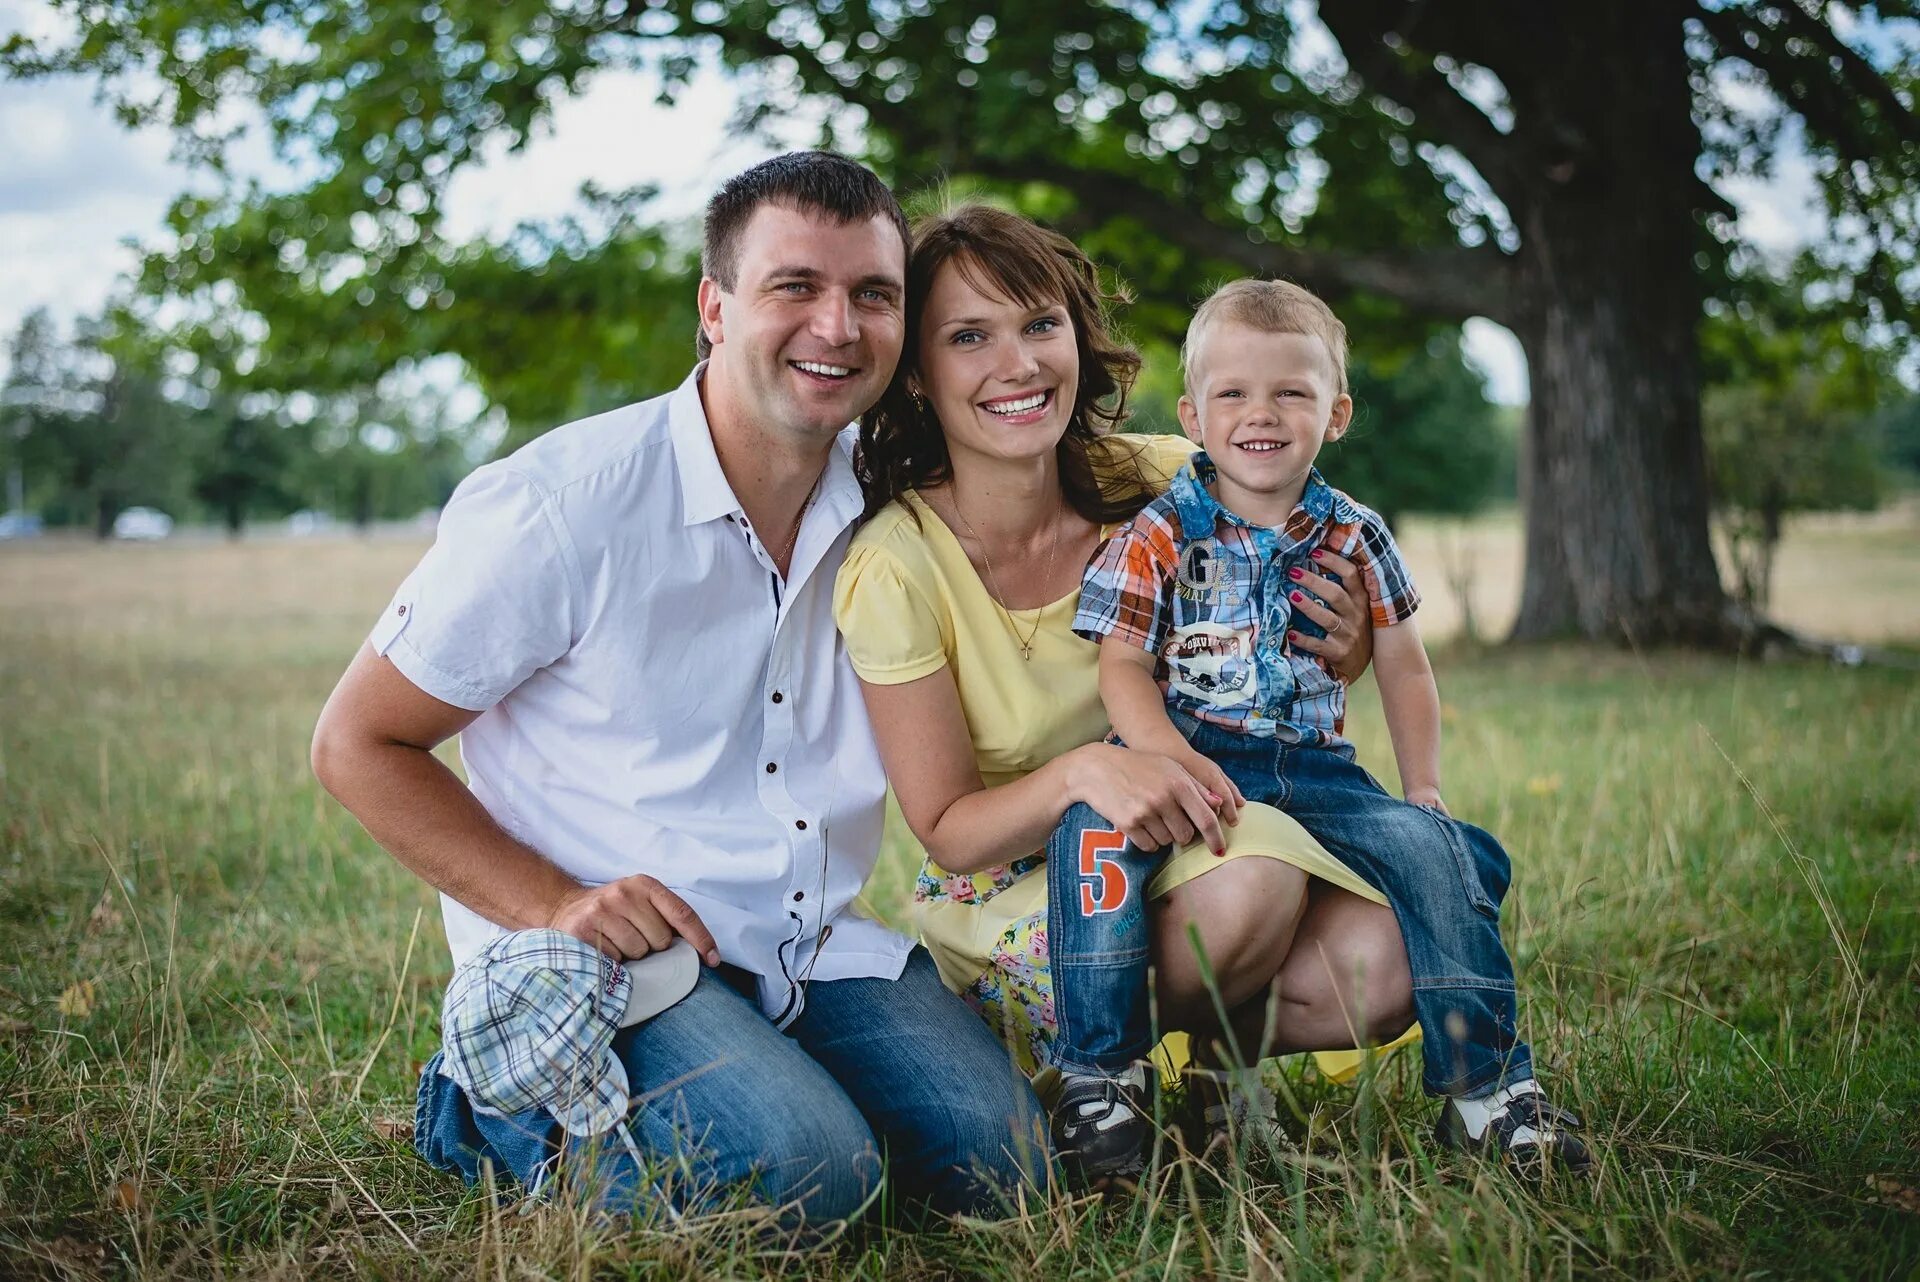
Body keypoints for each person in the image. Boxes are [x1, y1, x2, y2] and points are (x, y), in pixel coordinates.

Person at [310, 153, 1048, 1224]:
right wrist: (557, 905)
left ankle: (768, 1086)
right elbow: (357, 744)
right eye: (795, 287)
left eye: (873, 295)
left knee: (1008, 1166)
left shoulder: (899, 506)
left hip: (807, 948)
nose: (837, 327)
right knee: (810, 1179)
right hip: (618, 961)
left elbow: (1078, 510)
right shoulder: (562, 506)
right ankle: (482, 1106)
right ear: (714, 306)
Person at [833, 205, 1416, 1181]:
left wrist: (1347, 643)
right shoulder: (897, 566)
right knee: (1255, 880)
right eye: (969, 337)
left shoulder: (1167, 481)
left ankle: (1204, 1082)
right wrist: (1086, 776)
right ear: (920, 375)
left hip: (1197, 834)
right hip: (1019, 889)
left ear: (1078, 334)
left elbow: (1308, 631)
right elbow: (947, 828)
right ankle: (1092, 1071)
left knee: (1390, 957)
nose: (1017, 363)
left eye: (1040, 324)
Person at [1054, 277, 1591, 1177]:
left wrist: (1421, 788)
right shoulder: (1157, 532)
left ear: (1336, 413)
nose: (1260, 413)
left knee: (1442, 850)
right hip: (1187, 740)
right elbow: (1121, 667)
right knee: (1092, 840)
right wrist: (1166, 757)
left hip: (1315, 767)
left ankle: (1487, 1093)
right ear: (1191, 412)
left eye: (1291, 392)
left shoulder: (1356, 534)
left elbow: (1404, 665)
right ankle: (1100, 1077)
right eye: (1232, 392)